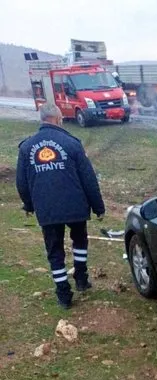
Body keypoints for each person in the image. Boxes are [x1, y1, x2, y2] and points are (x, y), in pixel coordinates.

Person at [16, 103, 105, 309]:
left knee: (54, 250)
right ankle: (81, 278)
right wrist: (98, 207)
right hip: (75, 205)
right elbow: (89, 179)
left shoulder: (27, 147)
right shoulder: (72, 144)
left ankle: (63, 294)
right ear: (58, 118)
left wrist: (29, 205)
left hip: (47, 208)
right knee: (79, 241)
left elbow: (22, 183)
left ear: (42, 119)